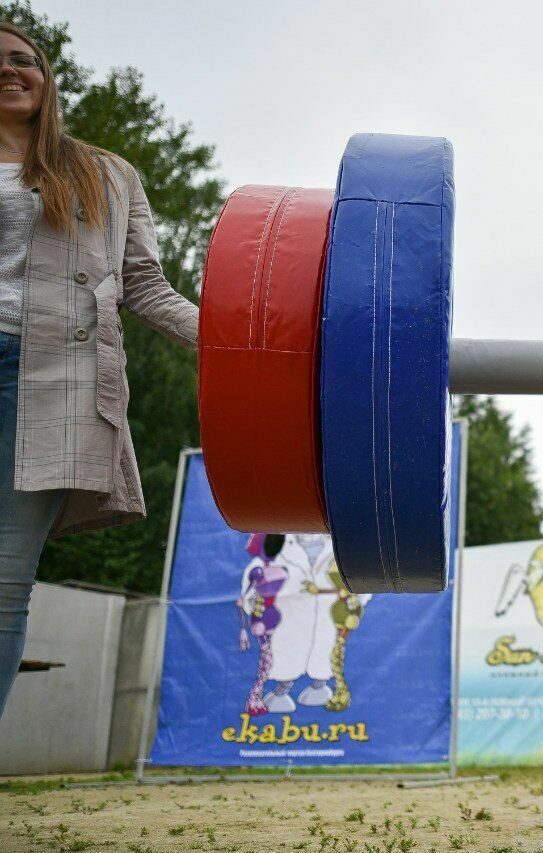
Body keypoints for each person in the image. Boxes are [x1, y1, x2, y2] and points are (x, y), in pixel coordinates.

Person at [0, 22, 198, 715]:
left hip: (51, 380)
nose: (10, 70)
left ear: (47, 79)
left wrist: (239, 343)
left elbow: (145, 286)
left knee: (4, 581)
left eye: (23, 60)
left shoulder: (104, 174)